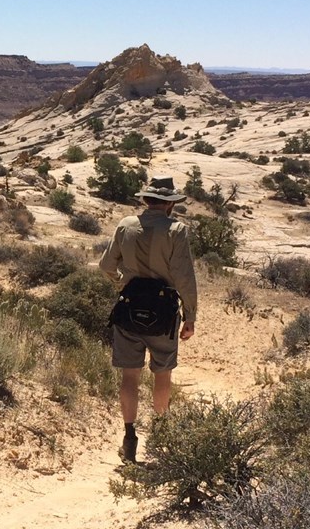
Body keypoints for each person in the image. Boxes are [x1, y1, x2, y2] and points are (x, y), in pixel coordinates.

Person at [99, 175, 197, 463]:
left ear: (145, 200)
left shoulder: (126, 225)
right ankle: (162, 437)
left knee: (129, 376)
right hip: (164, 313)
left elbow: (106, 265)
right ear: (169, 205)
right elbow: (184, 277)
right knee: (162, 375)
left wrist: (123, 285)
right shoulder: (176, 230)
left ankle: (129, 439)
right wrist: (190, 315)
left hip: (128, 309)